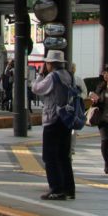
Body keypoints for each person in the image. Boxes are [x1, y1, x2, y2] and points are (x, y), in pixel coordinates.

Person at [31, 50, 75, 200]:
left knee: (49, 156)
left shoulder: (52, 77)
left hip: (53, 119)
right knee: (64, 155)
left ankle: (56, 188)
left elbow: (36, 88)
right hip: (66, 119)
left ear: (50, 64)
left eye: (47, 63)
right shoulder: (69, 76)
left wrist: (39, 75)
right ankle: (69, 189)